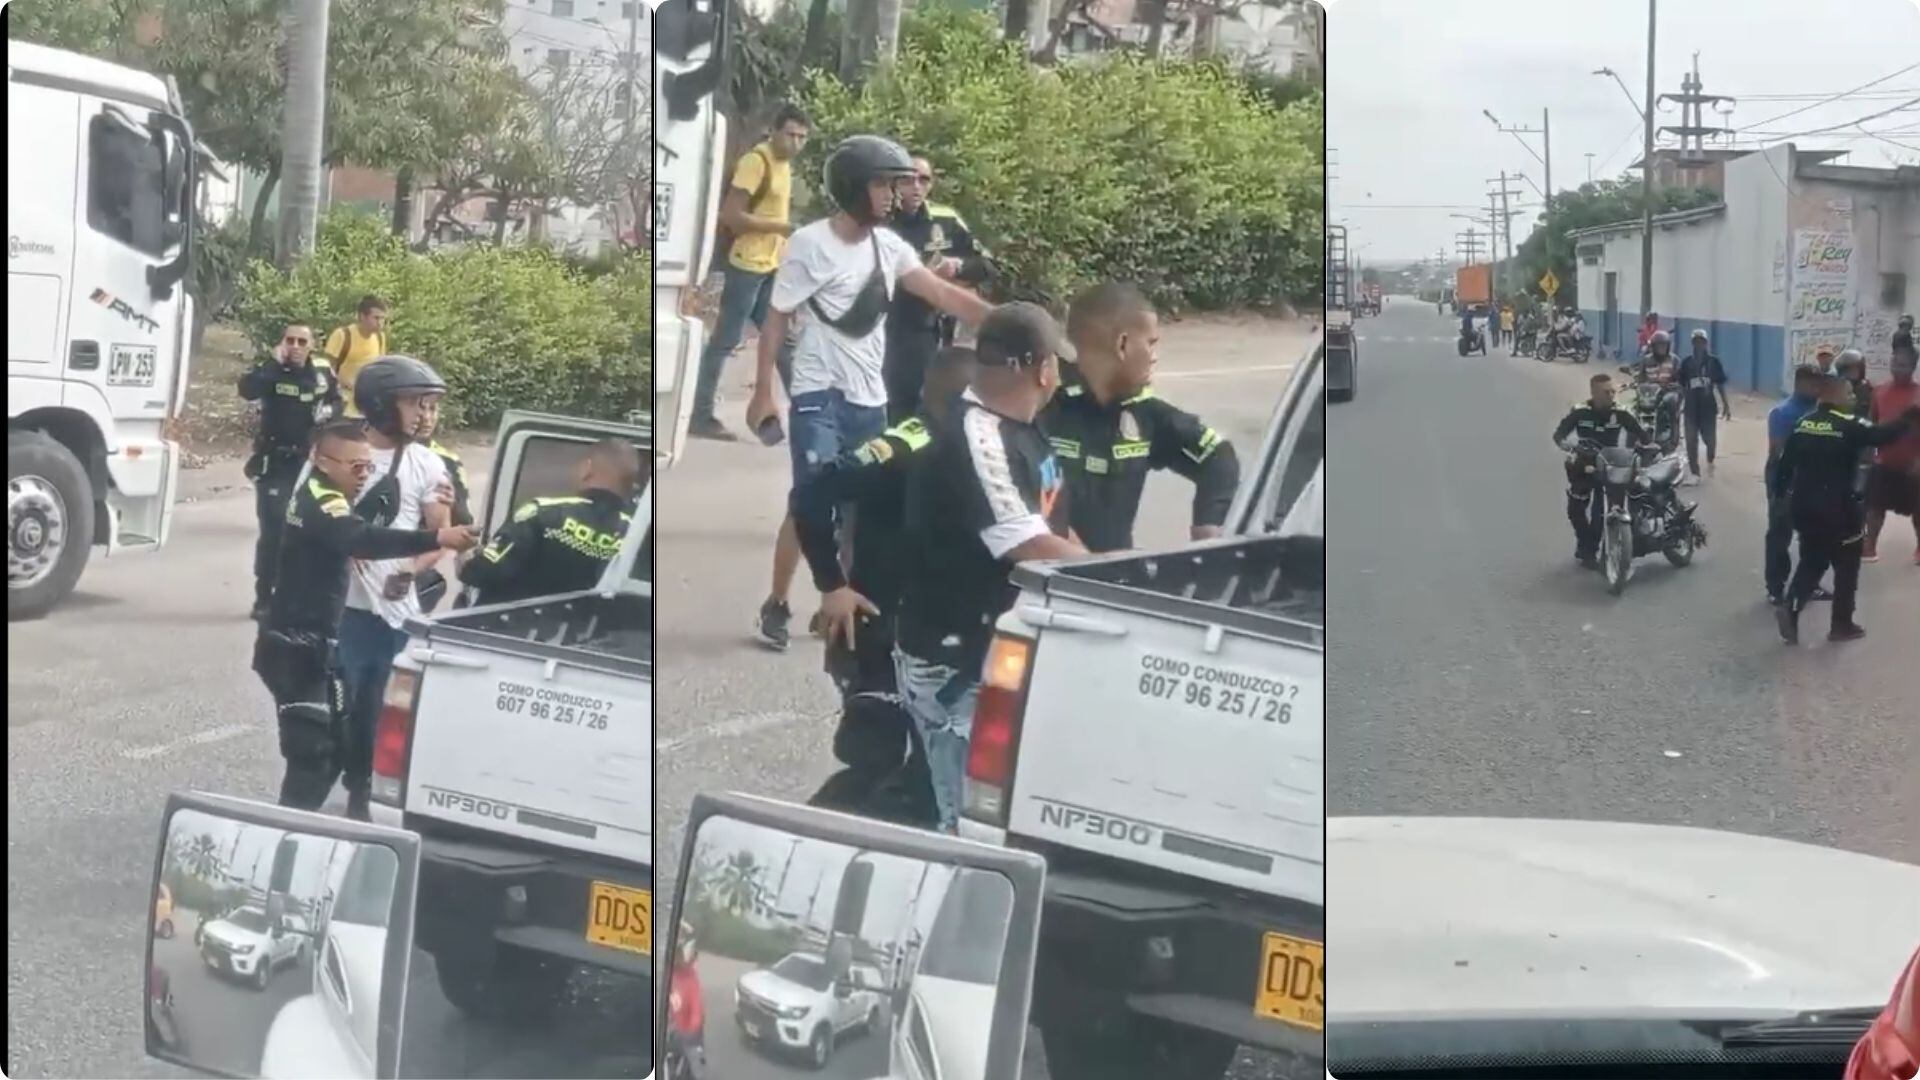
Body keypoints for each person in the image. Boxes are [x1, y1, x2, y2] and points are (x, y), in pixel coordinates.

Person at [744, 134, 993, 651]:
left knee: (862, 505)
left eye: (895, 185)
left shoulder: (891, 247)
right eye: (882, 184)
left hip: (868, 399)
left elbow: (942, 292)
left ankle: (843, 599)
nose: (893, 195)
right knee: (811, 497)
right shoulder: (810, 244)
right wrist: (763, 392)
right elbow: (775, 320)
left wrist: (1009, 324)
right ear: (854, 187)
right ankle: (777, 600)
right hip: (819, 394)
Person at [895, 303, 1085, 831]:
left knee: (1007, 813)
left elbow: (1051, 523)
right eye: (1055, 364)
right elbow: (1025, 542)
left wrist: (1102, 563)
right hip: (956, 660)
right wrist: (1115, 579)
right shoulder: (977, 436)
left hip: (1002, 647)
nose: (1058, 377)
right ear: (1038, 367)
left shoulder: (1023, 430)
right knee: (968, 825)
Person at [792, 346, 979, 824]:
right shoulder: (906, 447)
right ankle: (803, 848)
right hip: (879, 632)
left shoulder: (979, 451)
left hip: (937, 636)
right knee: (879, 759)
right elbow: (812, 493)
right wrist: (831, 584)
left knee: (927, 772)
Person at [254, 420, 477, 811]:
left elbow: (365, 516)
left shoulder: (333, 493)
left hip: (318, 646)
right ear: (321, 461)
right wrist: (436, 537)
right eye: (355, 467)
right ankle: (284, 837)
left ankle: (310, 827)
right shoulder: (321, 502)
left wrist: (439, 496)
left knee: (339, 744)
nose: (364, 475)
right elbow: (359, 538)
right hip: (295, 649)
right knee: (313, 754)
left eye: (368, 466)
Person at [332, 357, 456, 819]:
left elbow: (438, 532)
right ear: (382, 406)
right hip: (341, 608)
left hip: (394, 614)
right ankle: (334, 777)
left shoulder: (428, 464)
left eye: (429, 406)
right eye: (414, 404)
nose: (425, 415)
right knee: (337, 707)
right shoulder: (339, 451)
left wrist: (412, 568)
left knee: (382, 709)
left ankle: (365, 793)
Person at [1042, 282, 1240, 552]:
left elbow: (1218, 456)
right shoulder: (1044, 407)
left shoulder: (1147, 415)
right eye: (1150, 343)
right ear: (1122, 344)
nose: (1154, 357)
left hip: (1111, 579)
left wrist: (1208, 527)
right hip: (1040, 577)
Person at [688, 105, 810, 441]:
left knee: (782, 342)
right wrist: (783, 227)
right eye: (790, 135)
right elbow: (732, 216)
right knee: (726, 339)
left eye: (802, 137)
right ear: (774, 131)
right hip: (745, 263)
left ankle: (807, 415)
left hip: (770, 264)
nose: (796, 143)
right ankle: (699, 414)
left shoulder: (784, 166)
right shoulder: (756, 163)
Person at [1774, 372, 1920, 644]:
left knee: (1813, 559)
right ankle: (1841, 624)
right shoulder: (1849, 423)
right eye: (1849, 393)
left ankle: (1791, 609)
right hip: (1838, 509)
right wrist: (1908, 420)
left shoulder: (1803, 423)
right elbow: (1880, 436)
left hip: (1803, 507)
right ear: (1833, 395)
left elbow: (1784, 467)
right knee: (1848, 562)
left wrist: (1779, 496)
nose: (1853, 398)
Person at [458, 439, 644, 606]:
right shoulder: (637, 537)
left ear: (587, 469)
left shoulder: (541, 512)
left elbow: (482, 572)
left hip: (509, 635)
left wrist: (463, 551)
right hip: (585, 640)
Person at [238, 323, 340, 619]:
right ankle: (264, 597)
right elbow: (247, 389)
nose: (295, 346)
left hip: (309, 463)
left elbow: (337, 399)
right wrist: (273, 362)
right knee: (273, 532)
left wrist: (329, 412)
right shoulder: (271, 370)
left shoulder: (321, 371)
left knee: (308, 529)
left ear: (312, 345)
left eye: (301, 341)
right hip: (276, 463)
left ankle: (300, 595)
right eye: (289, 340)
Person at [883, 154, 992, 421]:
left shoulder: (946, 220)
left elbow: (987, 266)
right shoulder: (880, 222)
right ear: (894, 183)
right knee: (891, 409)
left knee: (930, 409)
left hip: (930, 330)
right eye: (908, 180)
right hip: (886, 328)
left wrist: (958, 267)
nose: (916, 187)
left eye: (924, 180)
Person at [1552, 373, 1649, 568]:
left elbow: (1642, 434)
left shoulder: (1622, 413)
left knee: (1602, 512)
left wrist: (1646, 446)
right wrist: (1567, 446)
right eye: (1606, 392)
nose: (1612, 395)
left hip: (1610, 466)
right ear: (1594, 393)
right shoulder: (1580, 412)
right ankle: (1585, 543)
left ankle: (1597, 550)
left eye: (1613, 391)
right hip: (1584, 465)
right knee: (1576, 509)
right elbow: (1559, 434)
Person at [1765, 364, 1829, 606]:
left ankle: (1809, 584)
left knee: (1812, 536)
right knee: (1780, 535)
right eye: (1813, 384)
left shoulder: (1819, 410)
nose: (1817, 388)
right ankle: (1775, 587)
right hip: (1787, 479)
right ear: (1800, 383)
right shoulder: (1783, 413)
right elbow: (1777, 452)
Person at [1863, 344, 1919, 564]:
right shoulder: (1879, 391)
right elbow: (1872, 425)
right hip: (1884, 462)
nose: (1898, 368)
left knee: (1919, 510)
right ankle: (1869, 547)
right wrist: (1868, 454)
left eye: (1903, 364)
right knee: (1874, 507)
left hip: (1914, 465)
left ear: (1913, 367)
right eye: (1895, 363)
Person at [1676, 328, 1731, 481]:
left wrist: (1726, 405)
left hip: (1708, 407)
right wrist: (1678, 406)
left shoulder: (1714, 362)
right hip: (1691, 407)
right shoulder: (1686, 363)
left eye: (1702, 342)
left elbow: (1720, 384)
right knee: (1691, 440)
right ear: (1692, 344)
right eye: (1696, 342)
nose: (1699, 345)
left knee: (1709, 439)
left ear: (1706, 344)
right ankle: (1695, 471)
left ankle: (1710, 458)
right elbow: (1681, 386)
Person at [323, 296, 390, 418]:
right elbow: (326, 369)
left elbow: (379, 369)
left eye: (383, 319)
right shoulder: (343, 335)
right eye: (376, 318)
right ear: (362, 317)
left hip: (366, 405)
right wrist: (343, 383)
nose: (380, 323)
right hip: (343, 403)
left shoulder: (380, 338)